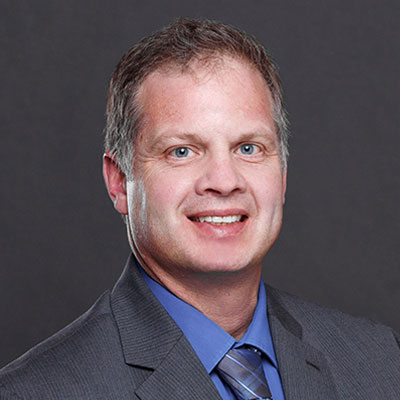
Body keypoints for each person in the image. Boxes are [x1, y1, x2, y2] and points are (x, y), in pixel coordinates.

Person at [0, 18, 399, 400]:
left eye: (248, 148)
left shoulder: (382, 361)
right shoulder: (35, 391)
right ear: (119, 181)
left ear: (282, 175)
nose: (224, 181)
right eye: (182, 151)